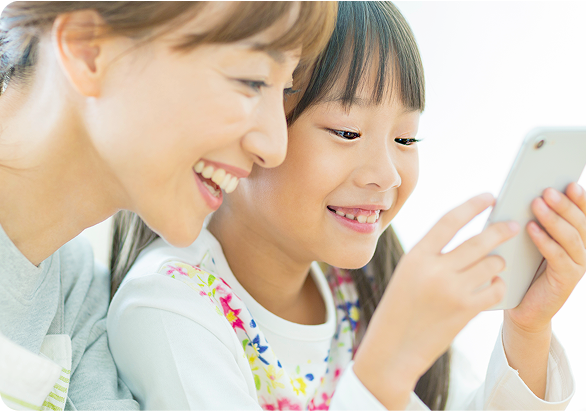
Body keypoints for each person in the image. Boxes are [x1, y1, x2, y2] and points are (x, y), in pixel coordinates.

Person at [108, 2, 586, 410]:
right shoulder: (170, 307)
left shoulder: (361, 284)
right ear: (254, 125)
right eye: (346, 131)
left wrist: (527, 328)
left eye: (406, 138)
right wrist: (384, 369)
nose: (387, 174)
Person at [0, 2, 336, 410]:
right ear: (87, 50)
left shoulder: (78, 300)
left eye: (283, 91)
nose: (275, 146)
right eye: (251, 81)